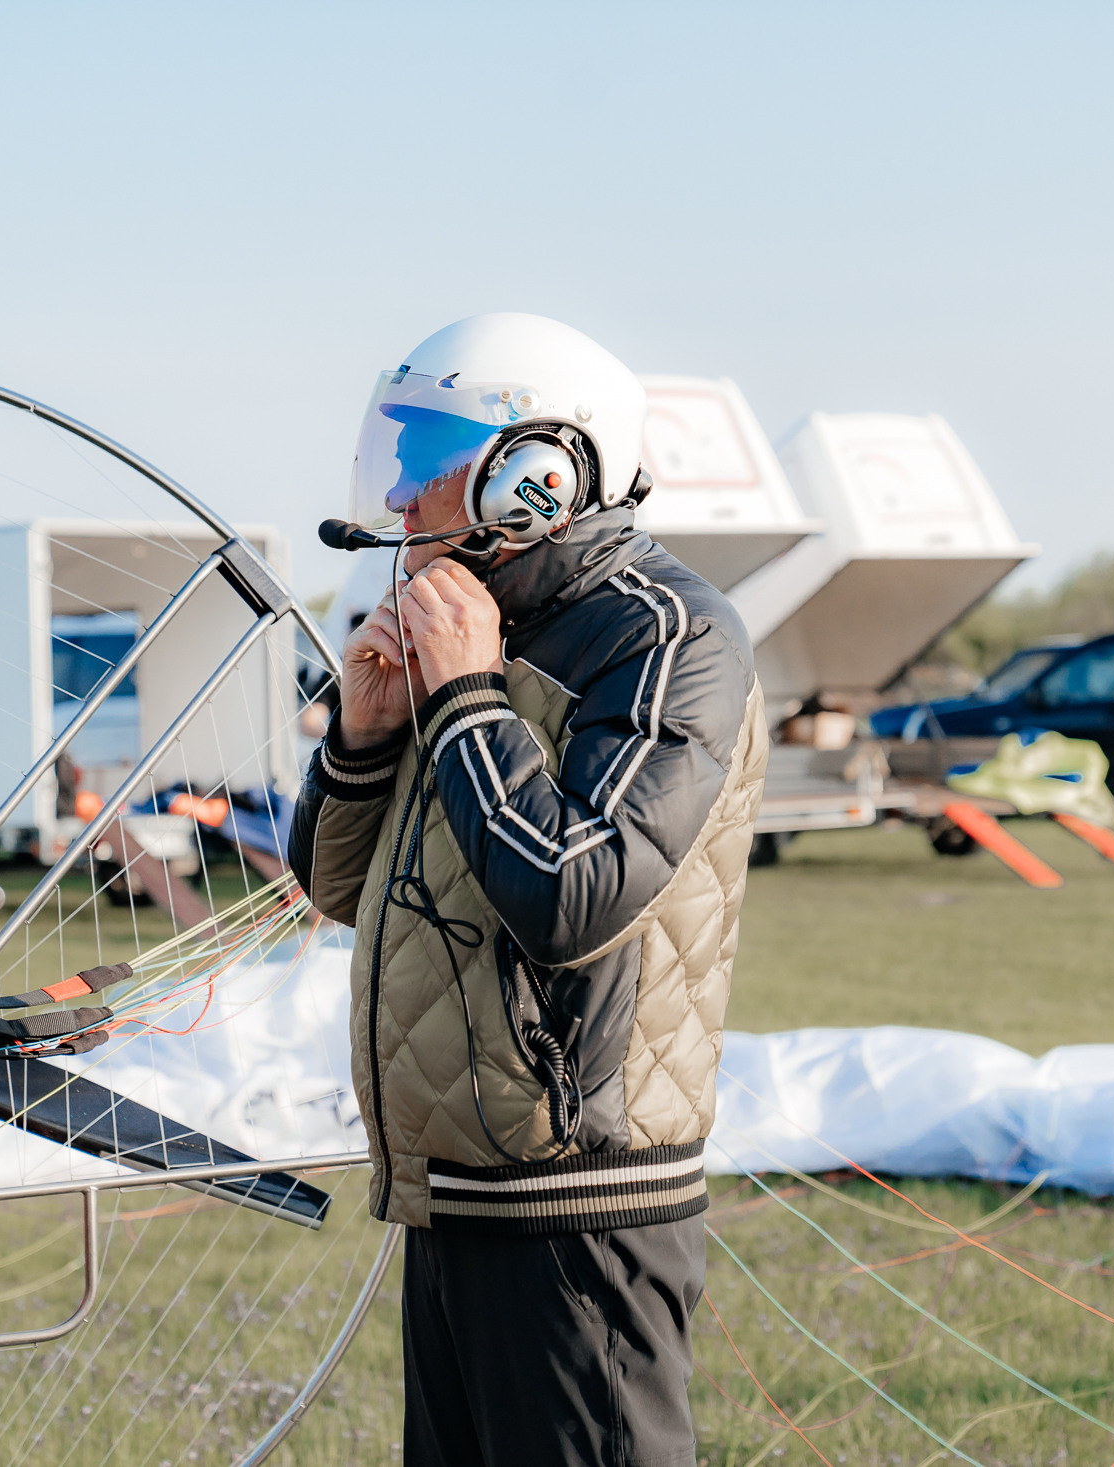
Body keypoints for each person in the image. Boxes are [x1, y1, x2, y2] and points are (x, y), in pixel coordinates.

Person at [287, 313, 767, 1465]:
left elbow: (570, 896)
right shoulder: (476, 620)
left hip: (578, 1207)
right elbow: (335, 888)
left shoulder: (670, 635)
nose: (398, 503)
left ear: (539, 472)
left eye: (426, 464)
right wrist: (364, 735)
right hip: (458, 1190)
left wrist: (462, 697)